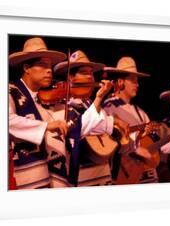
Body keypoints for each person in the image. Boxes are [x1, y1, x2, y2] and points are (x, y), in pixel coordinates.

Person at [53, 50, 128, 187]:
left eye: (91, 73)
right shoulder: (60, 107)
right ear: (71, 77)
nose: (90, 77)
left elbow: (106, 145)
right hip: (81, 182)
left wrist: (123, 138)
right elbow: (79, 129)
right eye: (84, 72)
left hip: (103, 178)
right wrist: (101, 102)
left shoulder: (92, 106)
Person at [8, 37, 68, 189]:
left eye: (50, 66)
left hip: (54, 174)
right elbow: (7, 121)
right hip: (27, 175)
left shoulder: (52, 99)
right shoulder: (10, 91)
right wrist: (46, 126)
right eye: (42, 65)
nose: (49, 70)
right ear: (26, 68)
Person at [103, 56, 159, 184]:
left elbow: (151, 145)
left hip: (145, 174)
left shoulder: (141, 112)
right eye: (133, 80)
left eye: (137, 81)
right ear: (121, 82)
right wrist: (135, 149)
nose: (137, 85)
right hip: (123, 174)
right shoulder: (108, 109)